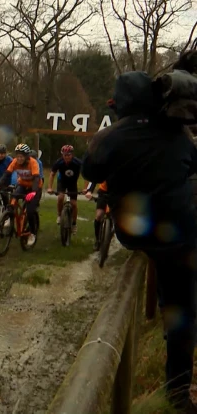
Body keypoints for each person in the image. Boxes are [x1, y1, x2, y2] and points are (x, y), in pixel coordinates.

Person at [82, 70, 197, 412]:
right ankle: (177, 391)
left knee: (159, 263)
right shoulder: (177, 134)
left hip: (135, 232)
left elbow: (91, 174)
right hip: (179, 234)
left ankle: (162, 308)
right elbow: (193, 165)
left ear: (120, 104)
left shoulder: (108, 138)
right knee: (183, 309)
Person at [0, 143, 41, 246]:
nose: (19, 159)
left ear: (26, 156)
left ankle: (32, 233)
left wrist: (33, 192)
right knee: (13, 199)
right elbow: (6, 174)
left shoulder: (33, 163)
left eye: (21, 156)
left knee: (31, 210)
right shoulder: (14, 162)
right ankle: (9, 217)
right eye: (17, 156)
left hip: (35, 187)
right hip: (22, 185)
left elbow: (36, 178)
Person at [47, 145, 81, 233]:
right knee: (60, 197)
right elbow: (52, 174)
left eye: (68, 155)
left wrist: (86, 188)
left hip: (72, 183)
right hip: (62, 182)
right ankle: (59, 215)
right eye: (65, 155)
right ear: (62, 155)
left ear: (72, 155)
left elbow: (85, 174)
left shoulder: (77, 162)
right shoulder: (59, 162)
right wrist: (50, 187)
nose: (66, 157)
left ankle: (74, 223)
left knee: (74, 204)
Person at [83, 180, 108, 251]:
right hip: (104, 192)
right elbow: (94, 179)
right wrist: (89, 191)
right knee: (99, 216)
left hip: (116, 192)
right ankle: (98, 240)